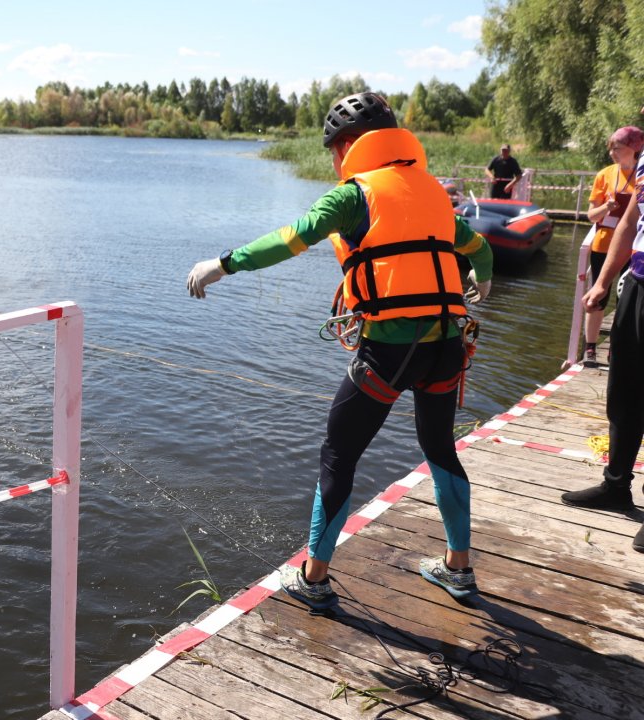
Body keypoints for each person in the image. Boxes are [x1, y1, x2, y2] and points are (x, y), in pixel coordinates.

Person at [186, 93, 495, 610]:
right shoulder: (434, 195)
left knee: (338, 456)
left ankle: (313, 578)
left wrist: (223, 264)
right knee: (440, 450)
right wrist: (479, 287)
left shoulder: (354, 195)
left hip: (388, 355)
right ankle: (458, 570)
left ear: (349, 145)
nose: (333, 161)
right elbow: (480, 250)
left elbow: (292, 237)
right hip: (446, 347)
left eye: (333, 150)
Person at [562, 124, 644, 554]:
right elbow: (630, 222)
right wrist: (605, 281)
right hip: (639, 282)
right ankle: (616, 487)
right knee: (624, 391)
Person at [581, 127, 644, 367]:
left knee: (624, 298)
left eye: (616, 148)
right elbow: (591, 216)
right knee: (598, 297)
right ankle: (590, 348)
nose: (612, 153)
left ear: (633, 148)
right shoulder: (605, 175)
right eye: (611, 148)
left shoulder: (640, 173)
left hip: (633, 249)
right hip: (604, 244)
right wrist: (606, 208)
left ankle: (615, 347)